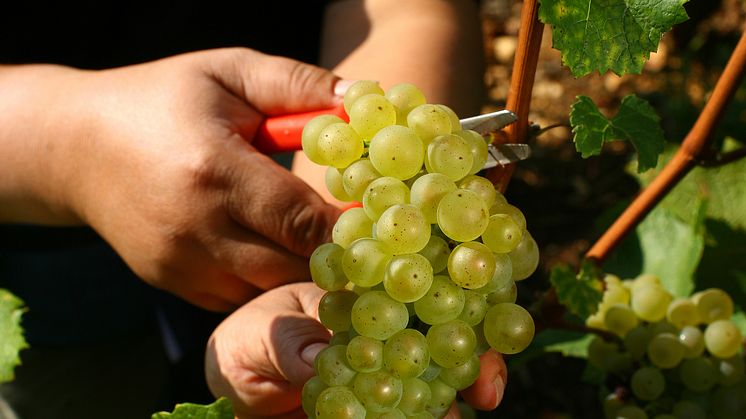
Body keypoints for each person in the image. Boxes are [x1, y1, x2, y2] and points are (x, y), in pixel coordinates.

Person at [0, 1, 505, 417]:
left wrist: (344, 260)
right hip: (32, 234)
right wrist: (70, 146)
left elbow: (405, 12)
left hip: (294, 168)